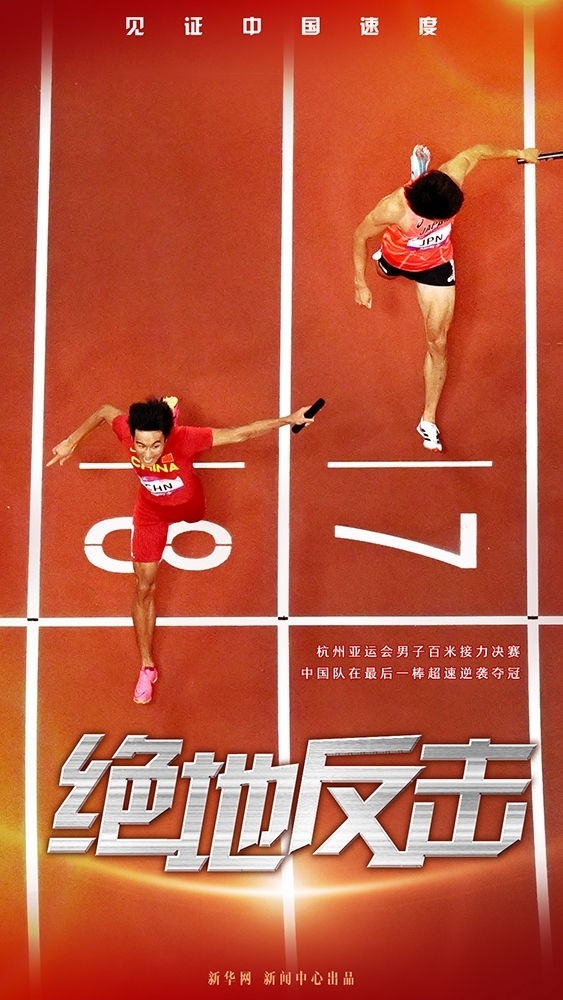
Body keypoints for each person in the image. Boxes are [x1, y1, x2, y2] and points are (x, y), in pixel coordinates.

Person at [47, 395, 318, 704]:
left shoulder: (185, 439)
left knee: (195, 516)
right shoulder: (125, 430)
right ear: (132, 436)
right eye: (140, 445)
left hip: (190, 505)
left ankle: (170, 414)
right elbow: (104, 411)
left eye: (156, 445)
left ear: (167, 437)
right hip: (150, 513)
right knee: (143, 587)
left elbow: (240, 434)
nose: (147, 454)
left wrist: (289, 419)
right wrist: (71, 441)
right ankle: (147, 667)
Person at [353, 142, 540, 451]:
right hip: (396, 258)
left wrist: (519, 153)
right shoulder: (392, 208)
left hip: (435, 266)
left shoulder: (451, 178)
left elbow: (477, 152)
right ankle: (418, 176)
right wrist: (360, 283)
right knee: (383, 273)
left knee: (438, 342)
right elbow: (360, 236)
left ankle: (427, 419)